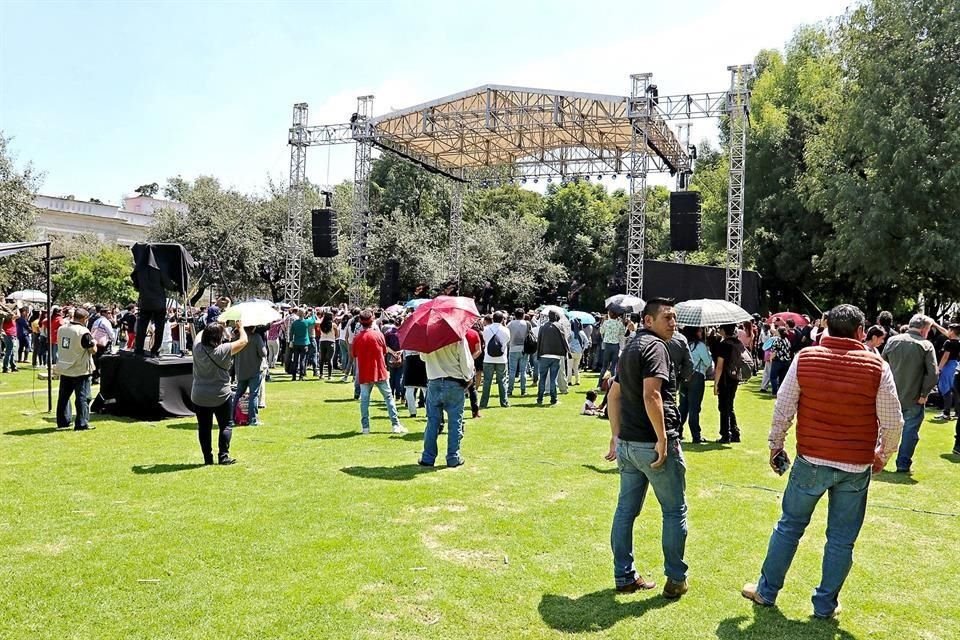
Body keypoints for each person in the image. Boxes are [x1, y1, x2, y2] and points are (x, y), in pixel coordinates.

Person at [741, 304, 903, 619]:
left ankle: (767, 591)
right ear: (861, 332)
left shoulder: (807, 358)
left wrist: (776, 446)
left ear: (826, 327)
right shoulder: (876, 366)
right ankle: (825, 604)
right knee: (841, 539)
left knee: (789, 527)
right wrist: (883, 454)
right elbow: (893, 422)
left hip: (811, 460)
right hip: (855, 466)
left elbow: (783, 408)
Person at [604, 298, 688, 599]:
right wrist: (663, 438)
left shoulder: (630, 348)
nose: (673, 323)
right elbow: (651, 395)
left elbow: (613, 394)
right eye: (667, 317)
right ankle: (676, 579)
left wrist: (616, 435)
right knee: (674, 510)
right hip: (650, 445)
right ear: (648, 321)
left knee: (625, 511)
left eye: (675, 318)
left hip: (628, 445)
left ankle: (624, 576)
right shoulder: (655, 347)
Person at [882, 314, 938, 473]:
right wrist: (924, 393)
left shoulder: (892, 341)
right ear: (924, 329)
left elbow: (882, 365)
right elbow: (933, 373)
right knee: (910, 432)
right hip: (913, 397)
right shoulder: (926, 345)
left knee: (884, 429)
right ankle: (903, 464)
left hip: (889, 395)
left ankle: (878, 458)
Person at [191, 322, 247, 465]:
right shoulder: (224, 350)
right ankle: (223, 456)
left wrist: (213, 325)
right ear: (218, 337)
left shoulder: (197, 347)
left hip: (199, 395)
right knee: (226, 425)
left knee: (204, 427)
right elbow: (244, 341)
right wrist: (240, 328)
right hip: (221, 395)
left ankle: (207, 458)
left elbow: (199, 335)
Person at [418, 335, 475, 468]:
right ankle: (453, 457)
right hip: (454, 382)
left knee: (432, 422)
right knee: (455, 422)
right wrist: (468, 377)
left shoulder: (428, 336)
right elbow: (466, 363)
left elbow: (423, 357)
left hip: (434, 381)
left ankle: (428, 457)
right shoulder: (458, 337)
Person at [351, 309, 406, 435]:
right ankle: (395, 425)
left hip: (365, 372)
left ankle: (365, 427)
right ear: (372, 320)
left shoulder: (357, 338)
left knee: (365, 401)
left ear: (360, 321)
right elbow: (384, 351)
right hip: (380, 370)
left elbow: (354, 354)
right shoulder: (379, 335)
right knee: (389, 399)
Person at [54, 308, 97, 431]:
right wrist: (94, 343)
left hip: (65, 367)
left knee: (63, 397)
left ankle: (63, 421)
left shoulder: (62, 328)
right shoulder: (83, 331)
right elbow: (92, 350)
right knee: (83, 397)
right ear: (85, 319)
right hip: (80, 369)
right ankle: (82, 423)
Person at [679, 326, 711, 444]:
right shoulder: (700, 346)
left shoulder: (683, 344)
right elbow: (707, 362)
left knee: (683, 406)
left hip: (684, 376)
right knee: (694, 407)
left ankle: (678, 431)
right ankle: (696, 435)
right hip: (697, 376)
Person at [714, 324, 744, 443]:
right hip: (735, 376)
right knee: (729, 405)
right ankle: (734, 432)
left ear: (723, 330)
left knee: (723, 407)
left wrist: (716, 383)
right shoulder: (738, 343)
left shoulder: (724, 345)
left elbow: (719, 366)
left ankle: (725, 434)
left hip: (725, 378)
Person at [233, 325, 267, 426]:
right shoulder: (256, 337)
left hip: (241, 370)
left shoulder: (237, 338)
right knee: (254, 394)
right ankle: (253, 419)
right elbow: (263, 353)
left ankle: (231, 417)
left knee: (238, 394)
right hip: (255, 370)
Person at [536, 310, 569, 406]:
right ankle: (553, 399)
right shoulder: (559, 326)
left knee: (542, 378)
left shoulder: (542, 327)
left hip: (544, 354)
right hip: (556, 355)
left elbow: (539, 341)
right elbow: (564, 340)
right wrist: (567, 352)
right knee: (553, 379)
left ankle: (540, 398)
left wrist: (538, 354)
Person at [480, 312, 510, 409]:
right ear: (502, 319)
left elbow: (484, 340)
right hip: (502, 359)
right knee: (502, 381)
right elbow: (507, 341)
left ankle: (484, 403)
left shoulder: (486, 329)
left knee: (487, 381)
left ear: (493, 319)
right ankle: (504, 402)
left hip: (488, 358)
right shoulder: (506, 330)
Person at [935, 324, 960, 421]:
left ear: (952, 331)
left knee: (946, 389)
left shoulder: (948, 343)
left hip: (947, 367)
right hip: (956, 366)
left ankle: (946, 413)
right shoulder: (958, 342)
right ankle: (957, 413)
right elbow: (945, 332)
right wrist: (936, 325)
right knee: (955, 390)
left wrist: (939, 368)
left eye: (949, 330)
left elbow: (945, 357)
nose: (947, 331)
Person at [506, 308, 532, 397]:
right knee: (523, 371)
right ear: (523, 315)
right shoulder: (527, 324)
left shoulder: (509, 324)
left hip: (513, 348)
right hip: (524, 349)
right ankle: (523, 390)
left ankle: (510, 390)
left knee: (512, 371)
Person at [598, 310, 626, 382]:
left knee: (605, 366)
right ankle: (612, 383)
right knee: (613, 366)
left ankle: (600, 383)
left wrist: (602, 322)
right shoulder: (619, 323)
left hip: (607, 345)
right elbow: (623, 333)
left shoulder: (606, 322)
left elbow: (601, 331)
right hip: (616, 345)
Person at [317, 311, 338, 380]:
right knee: (330, 359)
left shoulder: (321, 324)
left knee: (322, 359)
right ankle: (329, 375)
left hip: (322, 341)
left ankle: (321, 374)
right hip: (331, 341)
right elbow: (337, 334)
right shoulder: (333, 325)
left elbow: (320, 332)